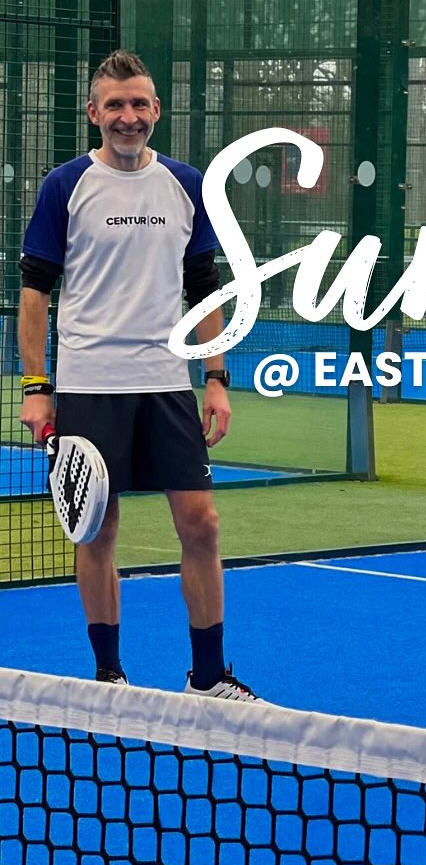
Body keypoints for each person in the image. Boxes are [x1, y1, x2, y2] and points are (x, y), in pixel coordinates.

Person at [18, 49, 257, 702]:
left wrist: (215, 377)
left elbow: (203, 286)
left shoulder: (186, 184)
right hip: (90, 386)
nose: (129, 117)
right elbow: (35, 292)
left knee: (202, 524)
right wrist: (36, 389)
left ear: (156, 110)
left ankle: (207, 677)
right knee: (96, 530)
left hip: (166, 384)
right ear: (94, 113)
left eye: (140, 104)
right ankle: (109, 679)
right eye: (115, 105)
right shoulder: (64, 186)